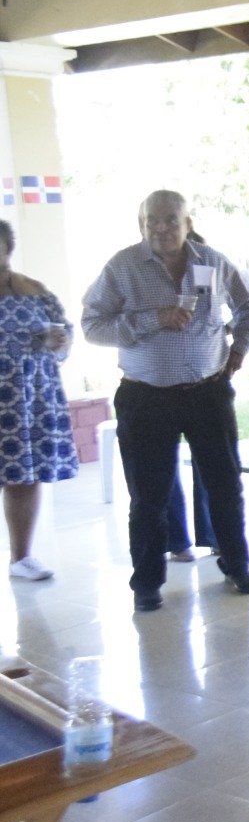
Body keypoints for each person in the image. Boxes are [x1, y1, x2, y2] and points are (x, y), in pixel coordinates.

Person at [81, 190, 249, 612]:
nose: (161, 228)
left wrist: (240, 348)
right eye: (152, 221)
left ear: (187, 222)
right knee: (148, 496)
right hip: (145, 398)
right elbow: (93, 326)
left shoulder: (211, 262)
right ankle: (146, 583)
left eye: (169, 220)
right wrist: (153, 319)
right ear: (141, 224)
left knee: (225, 485)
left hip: (207, 394)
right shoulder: (123, 267)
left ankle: (236, 565)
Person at [0, 220, 78, 581]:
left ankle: (22, 557)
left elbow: (64, 329)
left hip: (28, 396)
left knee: (22, 475)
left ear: (8, 248)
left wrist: (58, 341)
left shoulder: (35, 290)